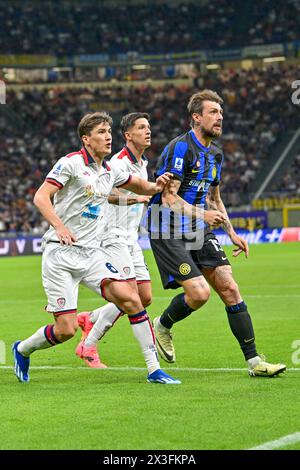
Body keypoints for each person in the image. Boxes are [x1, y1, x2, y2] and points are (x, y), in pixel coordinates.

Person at [12, 111, 180, 385]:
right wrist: (59, 226)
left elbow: (136, 184)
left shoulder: (109, 170)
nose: (107, 137)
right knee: (65, 330)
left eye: (109, 132)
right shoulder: (71, 163)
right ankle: (22, 349)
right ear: (86, 139)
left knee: (132, 299)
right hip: (61, 255)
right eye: (101, 132)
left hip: (92, 255)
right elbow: (41, 196)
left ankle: (154, 370)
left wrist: (154, 187)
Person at [148, 90, 286, 377]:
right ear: (196, 117)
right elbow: (169, 199)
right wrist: (204, 215)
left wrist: (231, 231)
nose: (220, 117)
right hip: (167, 229)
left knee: (230, 288)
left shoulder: (216, 154)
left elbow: (214, 198)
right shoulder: (181, 148)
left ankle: (255, 363)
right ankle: (162, 324)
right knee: (199, 295)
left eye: (221, 113)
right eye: (213, 112)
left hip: (199, 228)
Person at [75, 112, 153, 368]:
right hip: (112, 236)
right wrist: (135, 197)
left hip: (131, 238)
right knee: (130, 296)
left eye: (148, 127)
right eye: (142, 127)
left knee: (145, 297)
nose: (148, 131)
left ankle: (92, 317)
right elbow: (107, 194)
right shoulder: (117, 162)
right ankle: (88, 345)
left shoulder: (143, 163)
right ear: (128, 135)